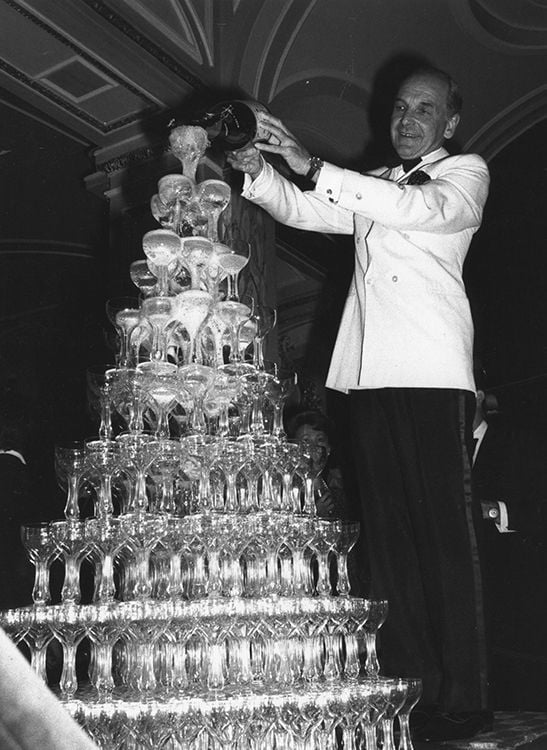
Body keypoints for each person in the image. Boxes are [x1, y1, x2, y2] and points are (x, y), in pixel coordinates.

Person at [228, 65, 491, 740]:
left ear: (448, 124)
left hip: (432, 375)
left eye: (423, 110)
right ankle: (411, 688)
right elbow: (302, 208)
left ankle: (464, 696)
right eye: (401, 108)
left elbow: (416, 211)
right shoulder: (377, 185)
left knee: (443, 539)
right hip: (369, 376)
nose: (407, 119)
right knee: (388, 539)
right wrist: (254, 170)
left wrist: (310, 161)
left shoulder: (463, 174)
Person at [473, 383, 547, 710]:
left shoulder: (517, 441)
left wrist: (494, 511)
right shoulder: (439, 453)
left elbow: (539, 510)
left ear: (476, 397)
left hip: (513, 591)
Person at [286, 409, 348, 519]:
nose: (313, 447)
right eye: (306, 441)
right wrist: (314, 516)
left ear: (328, 449)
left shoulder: (339, 493)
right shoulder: (285, 494)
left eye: (320, 439)